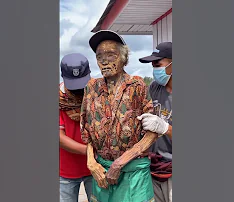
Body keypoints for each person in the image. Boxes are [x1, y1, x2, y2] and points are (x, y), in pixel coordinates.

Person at [80, 30, 158, 202]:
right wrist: (91, 162)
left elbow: (152, 131)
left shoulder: (136, 85)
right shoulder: (91, 87)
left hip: (133, 172)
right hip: (102, 172)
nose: (104, 61)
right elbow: (87, 132)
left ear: (123, 58)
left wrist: (120, 162)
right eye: (99, 56)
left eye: (111, 54)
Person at [137, 42, 173, 202]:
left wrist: (165, 128)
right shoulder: (155, 87)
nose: (155, 70)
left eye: (158, 64)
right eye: (152, 65)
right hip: (155, 167)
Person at [59, 53, 93, 202]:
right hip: (65, 171)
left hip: (95, 169)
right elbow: (59, 138)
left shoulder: (97, 95)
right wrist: (90, 152)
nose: (79, 91)